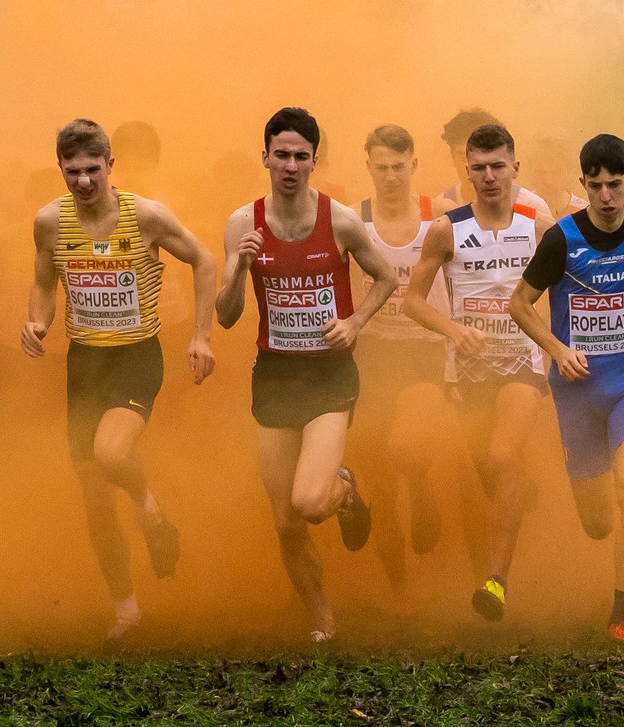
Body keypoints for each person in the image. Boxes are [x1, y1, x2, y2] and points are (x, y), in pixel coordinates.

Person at [21, 118, 216, 640]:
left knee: (111, 455)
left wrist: (201, 335)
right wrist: (37, 321)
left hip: (135, 356)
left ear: (111, 165)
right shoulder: (49, 222)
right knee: (93, 497)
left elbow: (204, 260)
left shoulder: (146, 216)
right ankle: (125, 609)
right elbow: (43, 285)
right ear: (60, 169)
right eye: (72, 171)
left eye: (92, 170)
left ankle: (152, 512)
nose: (83, 182)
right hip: (83, 363)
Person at [215, 107, 394, 642]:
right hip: (274, 376)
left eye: (301, 156)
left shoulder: (339, 220)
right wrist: (239, 268)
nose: (290, 165)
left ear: (314, 161)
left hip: (328, 378)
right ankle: (323, 623)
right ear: (265, 157)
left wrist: (355, 322)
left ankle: (344, 489)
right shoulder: (242, 224)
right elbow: (225, 316)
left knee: (309, 501)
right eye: (281, 155)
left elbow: (385, 277)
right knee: (285, 520)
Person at [509, 134, 624, 641]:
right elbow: (520, 304)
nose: (606, 196)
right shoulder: (561, 239)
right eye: (595, 186)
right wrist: (557, 349)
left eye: (615, 184)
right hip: (577, 390)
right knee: (597, 524)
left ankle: (621, 614)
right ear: (582, 185)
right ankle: (594, 499)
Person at [404, 123, 550, 623]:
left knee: (501, 453)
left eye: (498, 167)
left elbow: (579, 282)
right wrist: (452, 329)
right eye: (479, 168)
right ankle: (521, 489)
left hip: (524, 365)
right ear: (466, 171)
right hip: (468, 374)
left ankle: (496, 581)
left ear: (515, 168)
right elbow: (411, 301)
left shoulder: (537, 227)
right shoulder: (447, 229)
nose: (489, 177)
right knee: (491, 472)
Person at [349, 125, 448, 610]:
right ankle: (401, 595)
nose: (391, 176)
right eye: (381, 167)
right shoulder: (352, 221)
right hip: (371, 355)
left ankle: (424, 488)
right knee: (379, 484)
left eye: (399, 166)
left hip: (425, 351)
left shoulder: (441, 219)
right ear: (368, 167)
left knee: (405, 448)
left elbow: (480, 274)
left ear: (415, 165)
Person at [439, 109, 554, 222]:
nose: (488, 176)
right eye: (462, 155)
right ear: (452, 157)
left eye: (497, 165)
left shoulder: (532, 206)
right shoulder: (439, 209)